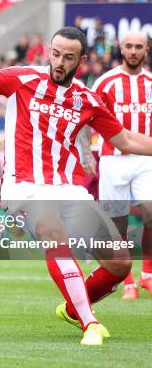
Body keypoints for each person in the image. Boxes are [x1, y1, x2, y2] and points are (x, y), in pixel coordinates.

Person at [0, 15, 152, 346]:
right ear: (49, 51)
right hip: (24, 187)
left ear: (82, 60)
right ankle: (90, 322)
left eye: (68, 57)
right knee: (51, 228)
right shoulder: (22, 79)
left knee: (118, 262)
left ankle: (75, 309)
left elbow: (127, 141)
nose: (59, 62)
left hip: (69, 190)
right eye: (56, 53)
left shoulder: (88, 100)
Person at [91, 30, 151, 300]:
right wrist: (83, 154)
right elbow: (86, 116)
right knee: (118, 226)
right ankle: (126, 281)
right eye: (129, 46)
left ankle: (147, 274)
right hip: (112, 159)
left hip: (145, 158)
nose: (134, 51)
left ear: (146, 50)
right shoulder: (106, 82)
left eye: (139, 46)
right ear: (120, 48)